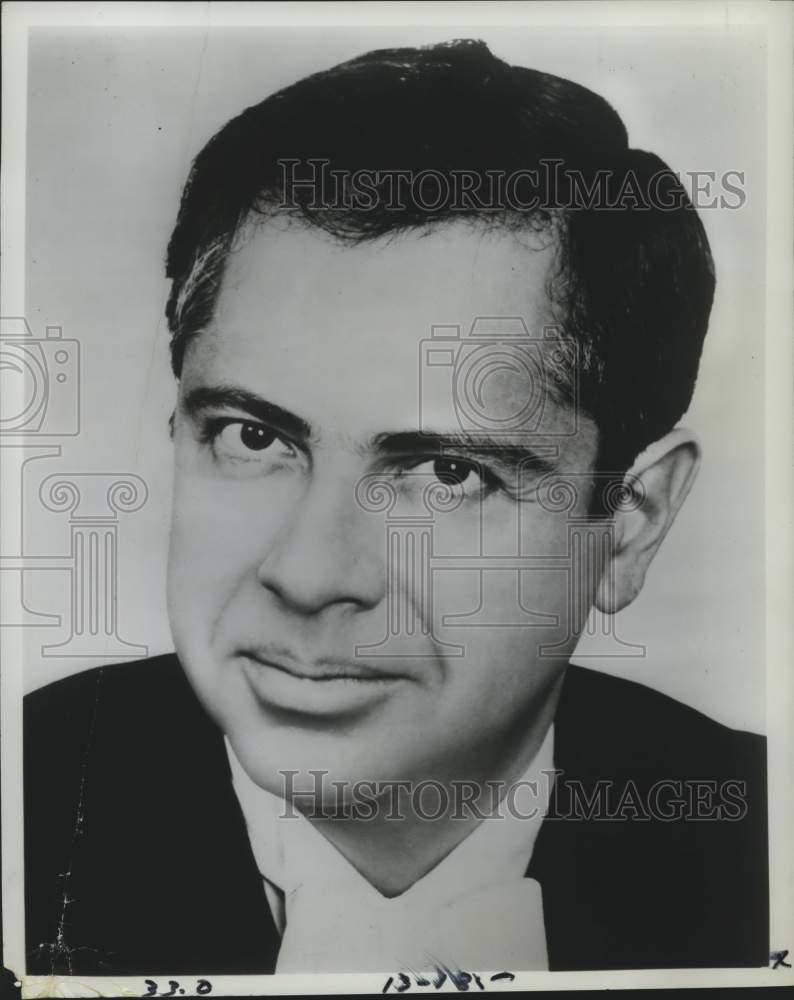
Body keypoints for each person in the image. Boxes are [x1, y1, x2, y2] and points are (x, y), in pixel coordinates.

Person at [24, 39, 768, 977]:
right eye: (254, 437)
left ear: (629, 524)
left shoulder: (759, 847)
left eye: (449, 473)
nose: (308, 573)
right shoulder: (27, 800)